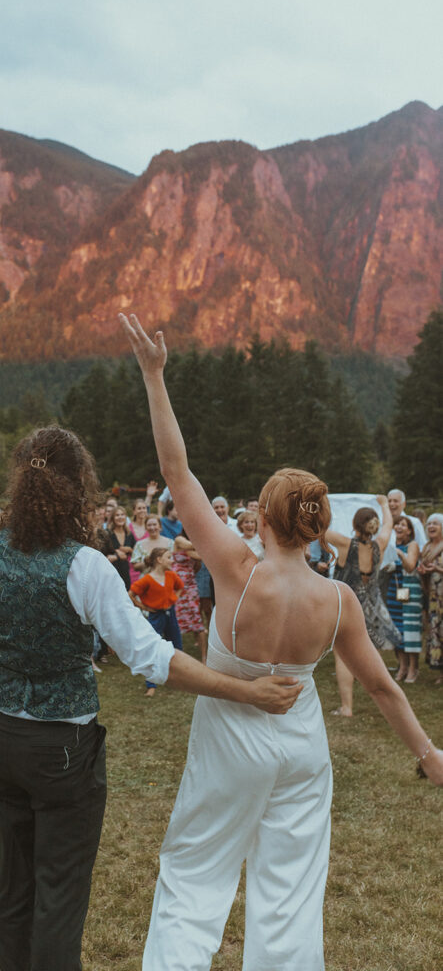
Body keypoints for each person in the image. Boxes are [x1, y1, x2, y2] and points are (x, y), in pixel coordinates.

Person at [119, 312, 442, 971]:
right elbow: (380, 687)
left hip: (231, 744)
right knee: (290, 896)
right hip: (302, 752)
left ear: (261, 517)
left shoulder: (237, 567)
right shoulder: (338, 599)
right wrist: (429, 753)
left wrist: (154, 377)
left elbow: (176, 473)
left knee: (194, 875)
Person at [0, 425, 301, 971]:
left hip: (1, 735)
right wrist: (246, 691)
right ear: (77, 489)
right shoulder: (83, 565)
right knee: (59, 894)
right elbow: (153, 659)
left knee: (13, 882)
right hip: (62, 747)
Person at [327, 500, 401, 717]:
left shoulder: (344, 544)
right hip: (373, 608)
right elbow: (388, 525)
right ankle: (387, 703)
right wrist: (384, 504)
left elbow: (317, 528)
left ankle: (347, 707)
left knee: (343, 656)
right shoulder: (381, 544)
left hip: (348, 607)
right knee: (370, 657)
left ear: (355, 524)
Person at [130, 547, 184, 696]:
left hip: (170, 614)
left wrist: (174, 598)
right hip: (156, 616)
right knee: (152, 647)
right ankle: (151, 684)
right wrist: (143, 606)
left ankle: (180, 678)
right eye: (169, 557)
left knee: (177, 646)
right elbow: (131, 594)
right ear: (159, 560)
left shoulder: (171, 575)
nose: (172, 560)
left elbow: (180, 587)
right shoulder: (147, 579)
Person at [386, 516, 422, 683]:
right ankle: (402, 667)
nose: (398, 527)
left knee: (410, 630)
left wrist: (399, 553)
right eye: (396, 524)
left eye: (403, 525)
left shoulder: (412, 545)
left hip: (410, 594)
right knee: (397, 630)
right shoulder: (391, 544)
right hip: (394, 593)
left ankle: (414, 668)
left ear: (409, 530)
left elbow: (410, 565)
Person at [418, 513, 443, 682]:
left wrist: (438, 570)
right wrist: (424, 572)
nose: (431, 526)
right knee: (436, 631)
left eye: (436, 523)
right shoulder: (426, 547)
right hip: (433, 598)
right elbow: (425, 570)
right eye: (429, 524)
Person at [103, 506, 136, 589]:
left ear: (125, 517)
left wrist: (129, 550)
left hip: (125, 572)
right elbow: (102, 555)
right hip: (111, 573)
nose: (120, 517)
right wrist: (117, 554)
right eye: (117, 515)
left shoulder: (129, 534)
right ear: (113, 518)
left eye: (122, 515)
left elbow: (136, 554)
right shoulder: (107, 534)